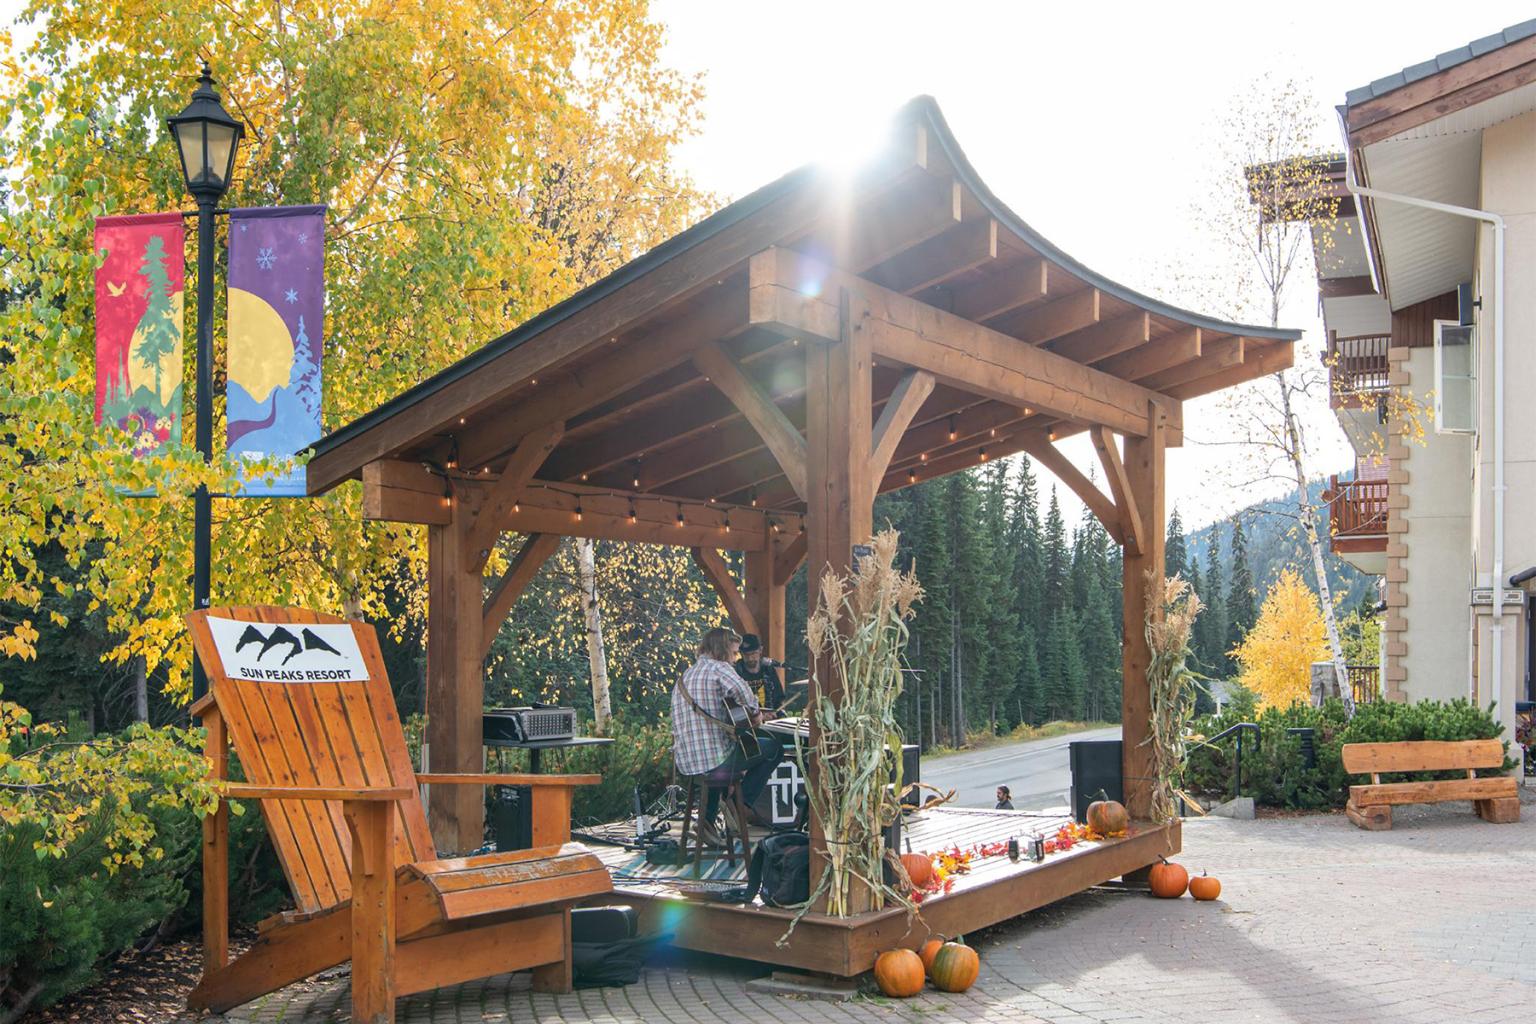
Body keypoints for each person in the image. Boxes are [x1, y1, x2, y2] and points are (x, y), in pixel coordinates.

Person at [672, 627, 784, 846]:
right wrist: (756, 715)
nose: (735, 659)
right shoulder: (719, 668)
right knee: (772, 749)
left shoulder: (686, 675)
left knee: (725, 760)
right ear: (722, 650)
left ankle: (707, 822)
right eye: (733, 653)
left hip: (687, 762)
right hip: (715, 762)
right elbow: (746, 697)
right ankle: (739, 803)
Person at [733, 633, 785, 711]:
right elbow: (734, 705)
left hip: (771, 717)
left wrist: (775, 711)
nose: (750, 658)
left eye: (753, 653)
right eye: (746, 654)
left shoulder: (768, 668)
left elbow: (779, 697)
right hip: (748, 719)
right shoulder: (736, 671)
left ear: (760, 650)